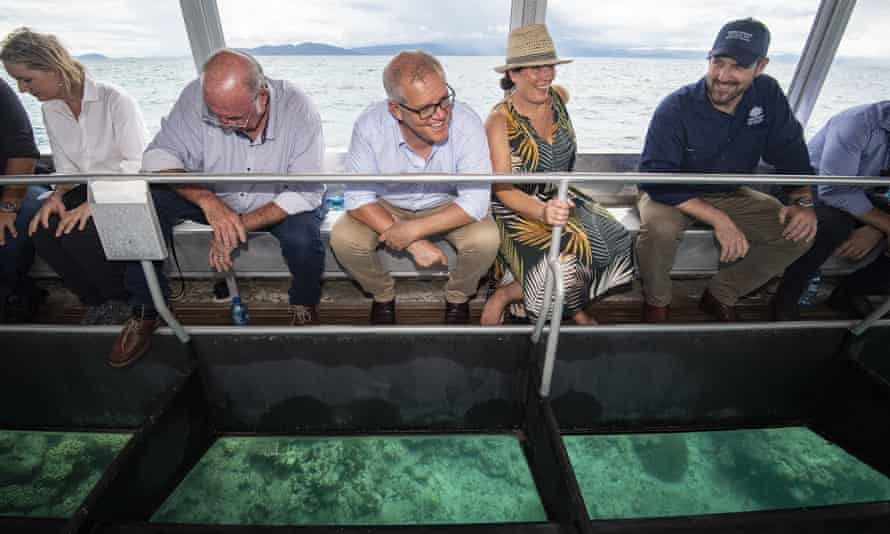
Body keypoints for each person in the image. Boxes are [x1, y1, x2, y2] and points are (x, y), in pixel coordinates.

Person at [110, 49, 326, 367]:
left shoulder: (299, 108)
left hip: (277, 200)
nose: (225, 125)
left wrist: (236, 224)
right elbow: (157, 158)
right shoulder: (195, 96)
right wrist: (208, 201)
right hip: (214, 196)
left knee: (304, 240)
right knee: (143, 206)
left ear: (262, 97)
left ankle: (304, 304)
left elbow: (305, 191)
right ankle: (146, 310)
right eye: (216, 116)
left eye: (236, 118)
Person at [637, 17, 815, 322]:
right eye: (717, 62)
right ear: (709, 58)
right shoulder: (675, 106)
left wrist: (803, 201)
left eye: (738, 67)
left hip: (729, 190)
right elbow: (657, 180)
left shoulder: (768, 94)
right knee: (658, 232)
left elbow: (791, 153)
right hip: (673, 193)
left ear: (760, 66)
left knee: (800, 233)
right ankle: (656, 304)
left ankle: (721, 293)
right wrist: (720, 220)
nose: (722, 75)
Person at [329, 51, 500, 325]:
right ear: (396, 110)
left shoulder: (467, 122)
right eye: (425, 108)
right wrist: (415, 243)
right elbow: (359, 197)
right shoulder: (369, 125)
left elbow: (476, 201)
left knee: (486, 240)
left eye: (444, 99)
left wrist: (412, 231)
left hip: (446, 203)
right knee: (344, 240)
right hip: (386, 204)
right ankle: (382, 294)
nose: (441, 114)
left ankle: (458, 297)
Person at [481, 24, 633, 325]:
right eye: (536, 69)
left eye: (549, 66)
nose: (546, 76)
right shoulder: (499, 121)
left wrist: (555, 204)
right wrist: (542, 211)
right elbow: (502, 188)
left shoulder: (559, 97)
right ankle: (505, 296)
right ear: (514, 74)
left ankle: (570, 306)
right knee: (563, 261)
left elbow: (559, 96)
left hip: (560, 194)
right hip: (516, 205)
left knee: (617, 239)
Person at [2, 27, 147, 325]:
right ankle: (96, 301)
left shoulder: (115, 100)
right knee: (40, 228)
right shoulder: (52, 109)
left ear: (53, 69)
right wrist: (56, 196)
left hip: (128, 187)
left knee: (78, 229)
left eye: (26, 79)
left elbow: (136, 164)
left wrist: (93, 204)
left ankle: (123, 300)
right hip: (85, 187)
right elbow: (67, 169)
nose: (22, 89)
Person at [785, 101, 890, 318]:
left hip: (864, 191)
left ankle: (851, 291)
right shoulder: (857, 123)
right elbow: (834, 191)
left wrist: (878, 228)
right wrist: (885, 223)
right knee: (835, 225)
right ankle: (787, 297)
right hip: (811, 185)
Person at [0, 77, 45, 323]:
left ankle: (16, 297)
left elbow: (23, 154)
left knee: (8, 230)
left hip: (18, 185)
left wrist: (7, 208)